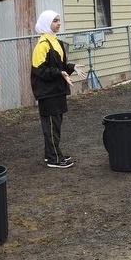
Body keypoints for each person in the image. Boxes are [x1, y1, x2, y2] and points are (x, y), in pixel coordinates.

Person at [31, 10, 86, 169]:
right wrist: (59, 72)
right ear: (46, 23)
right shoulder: (42, 45)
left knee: (56, 124)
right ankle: (55, 158)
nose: (58, 23)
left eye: (59, 20)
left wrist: (71, 67)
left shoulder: (57, 42)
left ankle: (52, 154)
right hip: (47, 93)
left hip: (57, 90)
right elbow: (39, 70)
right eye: (55, 21)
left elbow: (59, 67)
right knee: (50, 126)